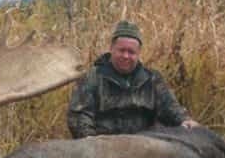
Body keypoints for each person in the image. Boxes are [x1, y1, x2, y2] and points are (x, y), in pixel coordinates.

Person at [67, 20, 199, 139]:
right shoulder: (92, 77)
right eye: (121, 50)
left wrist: (184, 120)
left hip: (146, 145)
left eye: (131, 52)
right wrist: (89, 139)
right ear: (111, 48)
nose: (126, 56)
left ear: (139, 53)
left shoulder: (152, 79)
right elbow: (79, 115)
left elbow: (170, 107)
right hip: (104, 147)